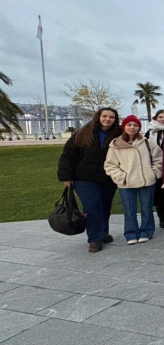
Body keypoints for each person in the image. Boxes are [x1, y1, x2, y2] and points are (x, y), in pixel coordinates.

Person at [57, 107, 122, 253]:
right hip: (84, 178)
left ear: (115, 119)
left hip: (108, 177)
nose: (107, 119)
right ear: (98, 117)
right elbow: (68, 154)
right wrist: (66, 176)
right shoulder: (84, 133)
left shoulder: (119, 134)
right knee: (92, 206)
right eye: (105, 116)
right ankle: (94, 239)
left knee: (105, 205)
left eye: (111, 117)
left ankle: (103, 233)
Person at [104, 115, 163, 244]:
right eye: (129, 125)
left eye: (135, 125)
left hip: (146, 181)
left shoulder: (147, 143)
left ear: (139, 128)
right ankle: (131, 233)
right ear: (124, 127)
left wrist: (153, 174)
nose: (132, 127)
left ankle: (147, 231)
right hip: (126, 183)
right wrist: (121, 177)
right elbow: (110, 165)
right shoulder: (116, 145)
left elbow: (159, 159)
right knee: (129, 209)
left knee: (147, 208)